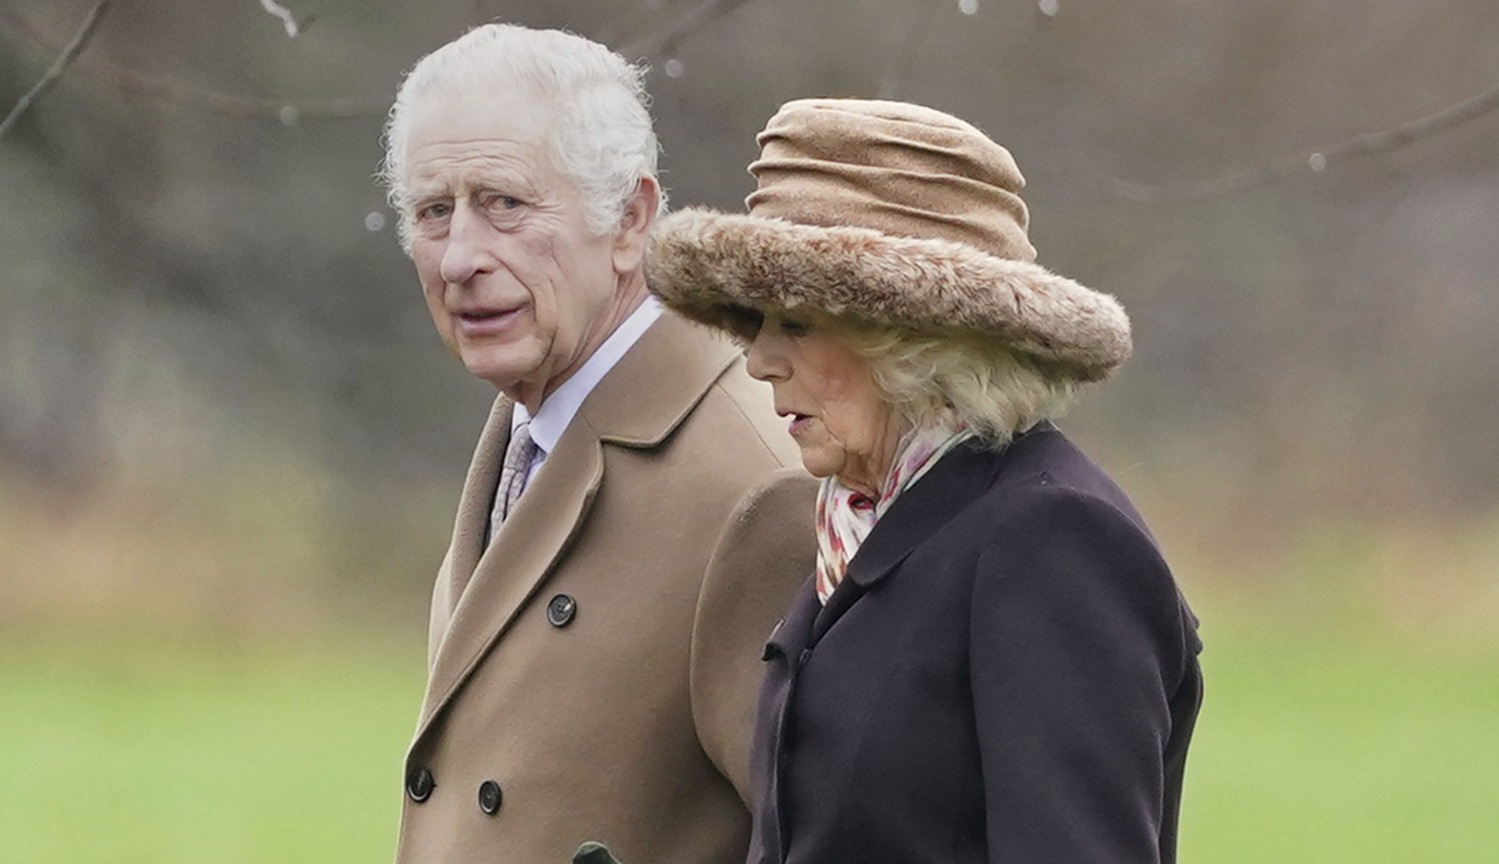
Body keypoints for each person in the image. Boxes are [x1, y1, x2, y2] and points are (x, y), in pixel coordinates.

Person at [646, 98, 1204, 864]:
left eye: (796, 323)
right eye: (755, 322)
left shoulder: (1049, 538)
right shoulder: (866, 520)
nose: (758, 360)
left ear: (911, 335)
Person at [377, 25, 817, 864]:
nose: (461, 257)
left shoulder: (751, 483)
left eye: (505, 203)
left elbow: (822, 837)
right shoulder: (527, 416)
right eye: (435, 211)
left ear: (631, 220)